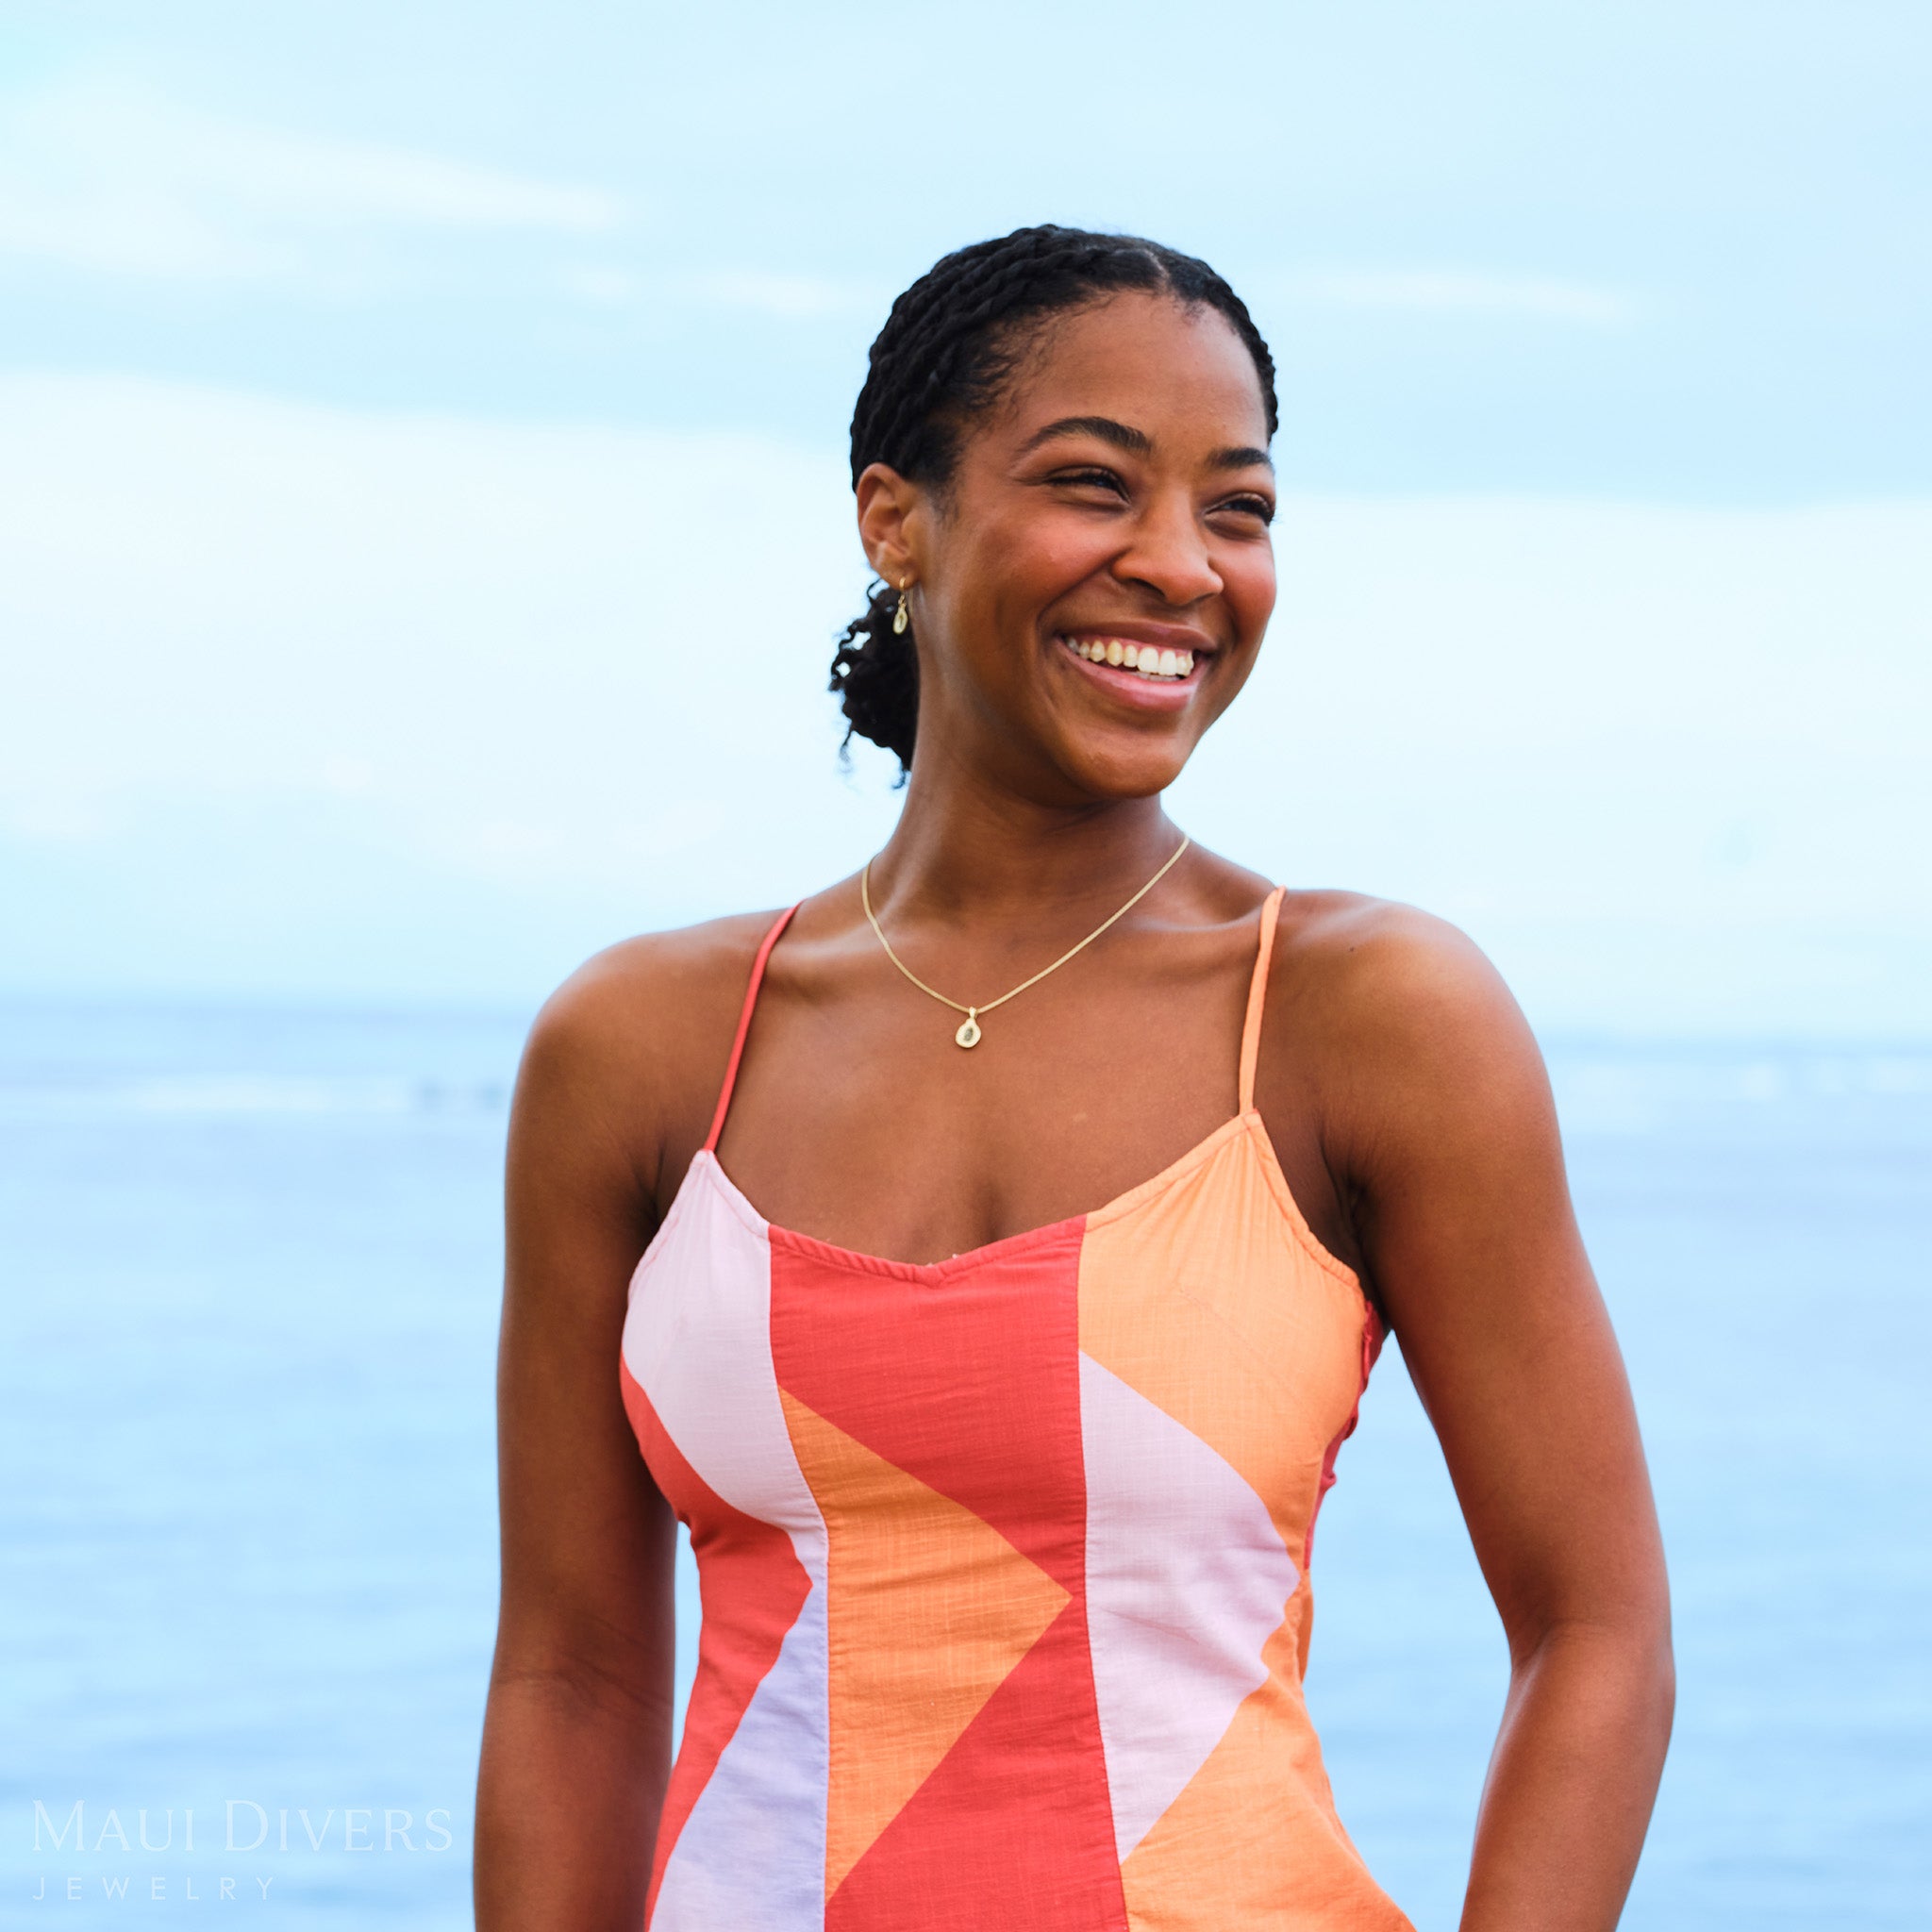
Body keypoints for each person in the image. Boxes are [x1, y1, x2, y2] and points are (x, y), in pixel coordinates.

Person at [474, 225, 1673, 1931]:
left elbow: (1600, 1635)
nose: (1182, 566)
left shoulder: (1360, 1016)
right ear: (897, 519)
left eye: (1238, 508)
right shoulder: (644, 1047)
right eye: (1097, 486)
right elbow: (570, 1680)